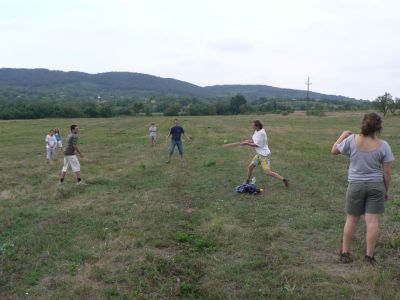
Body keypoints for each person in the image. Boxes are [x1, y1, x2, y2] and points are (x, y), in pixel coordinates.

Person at [332, 112, 394, 264]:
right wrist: (386, 190)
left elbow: (334, 150)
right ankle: (369, 257)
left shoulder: (351, 140)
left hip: (356, 186)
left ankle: (345, 253)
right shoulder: (384, 145)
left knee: (352, 219)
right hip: (376, 186)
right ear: (378, 128)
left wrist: (342, 136)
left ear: (363, 124)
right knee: (372, 221)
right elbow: (387, 172)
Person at [240, 120, 289, 187]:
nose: (252, 126)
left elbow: (257, 145)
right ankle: (247, 181)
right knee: (250, 167)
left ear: (257, 126)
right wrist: (248, 141)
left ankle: (284, 180)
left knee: (268, 173)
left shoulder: (262, 133)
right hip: (259, 154)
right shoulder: (256, 131)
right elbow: (255, 140)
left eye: (253, 125)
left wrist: (247, 144)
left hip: (264, 155)